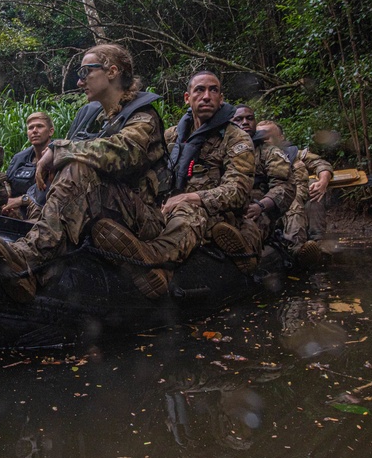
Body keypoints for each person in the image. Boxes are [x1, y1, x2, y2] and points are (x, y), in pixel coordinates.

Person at [0, 43, 168, 303]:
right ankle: (37, 274)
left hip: (144, 217)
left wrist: (58, 149)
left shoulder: (143, 116)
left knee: (76, 166)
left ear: (112, 71)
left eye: (86, 71)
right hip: (113, 206)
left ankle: (27, 257)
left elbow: (125, 152)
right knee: (72, 166)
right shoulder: (103, 120)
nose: (79, 80)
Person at [89, 70, 256, 296]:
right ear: (187, 98)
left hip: (211, 213)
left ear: (221, 98)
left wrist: (189, 197)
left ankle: (149, 257)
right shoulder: (171, 136)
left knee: (189, 212)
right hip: (165, 208)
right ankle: (147, 266)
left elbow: (239, 191)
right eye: (200, 90)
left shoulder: (235, 138)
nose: (206, 96)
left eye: (213, 90)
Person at [259, 120, 333, 266]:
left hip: (299, 199)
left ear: (281, 137)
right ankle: (296, 249)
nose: (264, 139)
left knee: (313, 189)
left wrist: (323, 181)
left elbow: (321, 164)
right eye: (260, 135)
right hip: (270, 204)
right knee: (291, 201)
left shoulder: (295, 154)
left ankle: (317, 243)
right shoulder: (252, 156)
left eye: (269, 135)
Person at [230, 106, 296, 253]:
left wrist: (261, 206)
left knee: (249, 229)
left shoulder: (270, 152)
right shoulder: (223, 150)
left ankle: (246, 257)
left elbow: (285, 187)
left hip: (259, 209)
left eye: (250, 118)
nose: (245, 122)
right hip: (228, 206)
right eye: (239, 119)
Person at [0, 111, 55, 220]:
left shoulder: (60, 154)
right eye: (31, 128)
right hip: (17, 213)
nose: (34, 131)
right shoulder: (19, 158)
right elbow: (8, 184)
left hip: (47, 211)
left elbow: (57, 193)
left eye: (40, 126)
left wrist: (23, 200)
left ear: (51, 131)